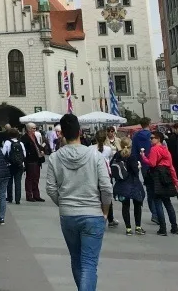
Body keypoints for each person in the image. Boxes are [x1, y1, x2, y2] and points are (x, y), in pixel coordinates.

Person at [45, 113, 112, 291]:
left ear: (62, 134)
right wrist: (105, 211)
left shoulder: (55, 157)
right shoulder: (95, 156)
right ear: (80, 132)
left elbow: (50, 188)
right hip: (93, 213)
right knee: (89, 263)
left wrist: (64, 203)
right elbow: (106, 188)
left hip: (68, 215)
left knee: (76, 260)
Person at [140, 131, 178, 236]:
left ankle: (163, 228)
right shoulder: (165, 149)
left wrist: (143, 157)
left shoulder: (154, 149)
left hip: (156, 177)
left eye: (152, 138)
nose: (150, 140)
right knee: (168, 203)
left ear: (158, 139)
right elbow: (171, 167)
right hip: (166, 177)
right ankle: (174, 227)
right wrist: (176, 182)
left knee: (158, 202)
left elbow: (152, 163)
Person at [110, 136, 145, 236]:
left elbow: (111, 165)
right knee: (137, 204)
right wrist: (138, 166)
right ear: (130, 146)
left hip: (122, 184)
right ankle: (138, 227)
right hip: (133, 183)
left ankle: (128, 228)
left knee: (125, 206)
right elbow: (135, 171)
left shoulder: (117, 154)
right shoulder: (132, 156)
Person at [91, 129, 118, 227]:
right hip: (106, 174)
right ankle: (110, 218)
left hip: (94, 174)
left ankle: (95, 216)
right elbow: (110, 159)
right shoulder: (108, 149)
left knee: (95, 196)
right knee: (107, 197)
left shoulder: (90, 148)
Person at [2, 127, 26, 205]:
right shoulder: (21, 143)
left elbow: (3, 153)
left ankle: (10, 197)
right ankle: (17, 199)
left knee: (9, 182)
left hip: (10, 165)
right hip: (19, 165)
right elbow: (24, 154)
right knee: (18, 182)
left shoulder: (7, 142)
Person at [23, 123, 45, 202]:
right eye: (33, 128)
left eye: (35, 128)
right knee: (30, 178)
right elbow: (25, 149)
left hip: (37, 160)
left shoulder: (34, 136)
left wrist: (41, 150)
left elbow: (37, 145)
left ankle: (36, 195)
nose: (35, 130)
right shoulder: (25, 137)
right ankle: (29, 195)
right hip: (30, 160)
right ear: (28, 129)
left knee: (36, 178)